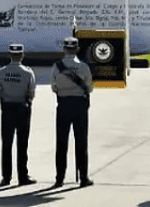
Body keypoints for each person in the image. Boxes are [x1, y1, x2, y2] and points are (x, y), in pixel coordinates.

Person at [52, 35, 93, 188]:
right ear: (77, 49)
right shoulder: (83, 67)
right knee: (81, 141)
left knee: (61, 142)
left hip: (63, 104)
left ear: (64, 49)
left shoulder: (57, 66)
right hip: (79, 105)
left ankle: (59, 177)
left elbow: (53, 87)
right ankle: (83, 176)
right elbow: (89, 87)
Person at [0, 43, 36, 187]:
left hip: (7, 108)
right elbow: (31, 93)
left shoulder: (1, 72)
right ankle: (22, 176)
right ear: (22, 55)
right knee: (22, 144)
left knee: (6, 144)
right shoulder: (27, 72)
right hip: (22, 108)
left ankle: (6, 177)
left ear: (10, 55)